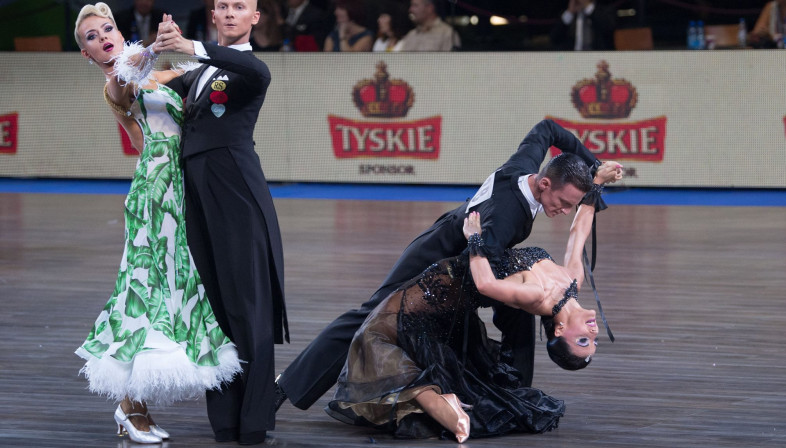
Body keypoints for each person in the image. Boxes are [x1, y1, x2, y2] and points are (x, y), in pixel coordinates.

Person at [276, 119, 623, 413]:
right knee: (370, 315)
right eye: (562, 203)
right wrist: (527, 293)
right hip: (442, 261)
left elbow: (548, 129)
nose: (563, 212)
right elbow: (486, 271)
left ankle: (513, 387)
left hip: (460, 244)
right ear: (545, 183)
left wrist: (594, 169)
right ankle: (286, 386)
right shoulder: (507, 217)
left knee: (519, 310)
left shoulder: (524, 167)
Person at [73, 2, 240, 444]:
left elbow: (187, 71)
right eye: (92, 36)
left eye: (106, 28)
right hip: (153, 194)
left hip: (179, 190)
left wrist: (183, 46)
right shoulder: (115, 83)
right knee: (146, 291)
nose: (102, 37)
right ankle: (131, 409)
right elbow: (127, 82)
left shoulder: (149, 75)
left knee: (168, 289)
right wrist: (155, 42)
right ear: (86, 54)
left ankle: (133, 406)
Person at [328, 191, 610, 441]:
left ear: (559, 331)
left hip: (442, 286)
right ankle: (436, 398)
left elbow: (486, 284)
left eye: (584, 341)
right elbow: (579, 231)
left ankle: (435, 401)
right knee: (391, 336)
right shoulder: (572, 280)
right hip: (448, 292)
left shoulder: (538, 295)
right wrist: (595, 184)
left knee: (372, 336)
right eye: (593, 341)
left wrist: (474, 237)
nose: (594, 332)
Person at [153, 0, 289, 444]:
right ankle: (226, 418)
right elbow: (148, 86)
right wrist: (130, 57)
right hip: (198, 193)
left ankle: (254, 421)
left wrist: (189, 45)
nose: (231, 13)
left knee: (247, 304)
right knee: (213, 308)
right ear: (213, 14)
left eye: (241, 7)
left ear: (255, 17)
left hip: (236, 194)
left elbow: (242, 66)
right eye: (223, 6)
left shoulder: (251, 70)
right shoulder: (195, 72)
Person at [550, 0, 616, 51]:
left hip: (598, 58)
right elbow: (554, 38)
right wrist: (570, 12)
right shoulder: (567, 14)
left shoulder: (605, 9)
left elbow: (608, 28)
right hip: (572, 60)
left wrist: (588, 7)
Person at [396, 0, 461, 51]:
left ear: (429, 8)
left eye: (415, 5)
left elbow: (449, 64)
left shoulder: (447, 33)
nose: (410, 9)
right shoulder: (411, 34)